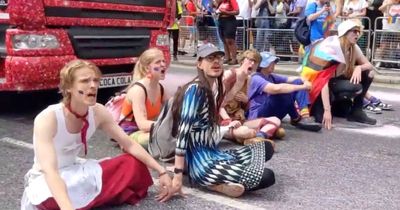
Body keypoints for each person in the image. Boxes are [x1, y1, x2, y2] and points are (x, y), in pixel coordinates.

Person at [21, 60, 174, 210]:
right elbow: (50, 171)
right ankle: (92, 198)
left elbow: (129, 144)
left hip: (76, 172)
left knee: (133, 163)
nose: (93, 85)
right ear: (68, 88)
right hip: (49, 179)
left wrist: (161, 171)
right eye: (85, 81)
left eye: (95, 80)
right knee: (51, 198)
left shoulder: (98, 111)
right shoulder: (48, 118)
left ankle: (91, 198)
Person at [169, 43, 276, 198]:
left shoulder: (214, 88)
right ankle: (212, 182)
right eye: (210, 58)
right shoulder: (196, 89)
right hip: (203, 163)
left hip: (213, 153)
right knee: (267, 176)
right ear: (199, 63)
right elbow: (183, 132)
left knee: (266, 148)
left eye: (219, 58)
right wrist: (177, 175)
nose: (216, 62)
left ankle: (225, 176)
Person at [301, 19, 377, 129]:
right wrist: (327, 110)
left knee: (368, 73)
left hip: (334, 82)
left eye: (358, 32)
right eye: (354, 31)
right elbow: (323, 81)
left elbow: (369, 65)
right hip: (317, 85)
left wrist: (359, 67)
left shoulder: (353, 47)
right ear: (345, 33)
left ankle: (357, 110)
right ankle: (328, 106)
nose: (357, 34)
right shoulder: (330, 48)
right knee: (319, 118)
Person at [221, 49, 284, 145]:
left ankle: (259, 137)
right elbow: (216, 104)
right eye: (250, 60)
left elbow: (248, 108)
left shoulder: (249, 79)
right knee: (245, 132)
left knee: (276, 120)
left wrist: (246, 100)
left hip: (240, 119)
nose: (252, 64)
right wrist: (228, 121)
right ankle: (258, 136)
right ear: (242, 61)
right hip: (223, 121)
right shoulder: (229, 75)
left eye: (256, 62)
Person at [247, 51, 322, 132]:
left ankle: (305, 116)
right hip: (258, 115)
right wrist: (303, 87)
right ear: (263, 65)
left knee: (297, 82)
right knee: (283, 91)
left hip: (271, 112)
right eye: (271, 63)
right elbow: (275, 89)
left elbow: (295, 79)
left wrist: (305, 81)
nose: (274, 64)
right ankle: (296, 118)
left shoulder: (271, 76)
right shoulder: (256, 78)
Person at [119, 48, 168, 149]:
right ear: (147, 69)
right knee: (164, 137)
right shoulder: (138, 90)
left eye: (163, 61)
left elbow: (175, 109)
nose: (163, 64)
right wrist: (167, 126)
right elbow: (142, 124)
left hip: (147, 131)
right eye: (158, 62)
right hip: (130, 134)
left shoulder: (161, 88)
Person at [214, 0, 240, 65]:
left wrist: (226, 12)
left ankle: (234, 59)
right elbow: (216, 9)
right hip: (221, 21)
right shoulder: (221, 2)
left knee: (230, 40)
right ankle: (227, 57)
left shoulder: (232, 1)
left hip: (229, 21)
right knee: (224, 41)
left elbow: (237, 12)